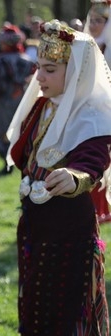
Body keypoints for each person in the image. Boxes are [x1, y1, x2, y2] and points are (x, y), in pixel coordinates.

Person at [5, 20, 111, 336]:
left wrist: (74, 178)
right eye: (39, 68)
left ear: (76, 71)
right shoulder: (45, 104)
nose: (40, 76)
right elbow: (24, 150)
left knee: (64, 313)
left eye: (50, 69)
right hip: (38, 229)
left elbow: (92, 161)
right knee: (41, 309)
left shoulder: (94, 114)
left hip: (69, 233)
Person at [0, 24, 36, 176]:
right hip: (22, 102)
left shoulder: (2, 60)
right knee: (18, 134)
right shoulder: (27, 59)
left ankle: (8, 162)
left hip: (2, 103)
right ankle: (19, 162)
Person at [83, 0, 111, 222]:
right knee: (93, 159)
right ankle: (94, 209)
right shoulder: (86, 47)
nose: (93, 25)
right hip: (89, 113)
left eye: (98, 21)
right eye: (91, 20)